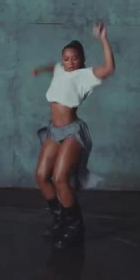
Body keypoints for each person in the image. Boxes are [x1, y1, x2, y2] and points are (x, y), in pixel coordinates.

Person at [31, 21, 115, 249]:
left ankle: (75, 228)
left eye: (74, 58)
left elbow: (109, 68)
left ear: (82, 59)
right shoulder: (60, 69)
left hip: (72, 132)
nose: (69, 63)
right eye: (66, 58)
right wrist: (42, 69)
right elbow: (55, 67)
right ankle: (60, 220)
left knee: (60, 179)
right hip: (53, 130)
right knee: (41, 176)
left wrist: (103, 40)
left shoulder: (85, 75)